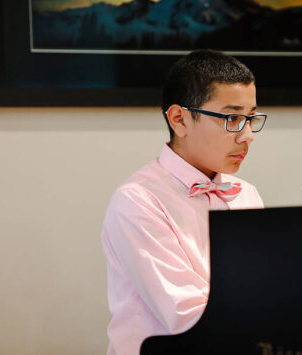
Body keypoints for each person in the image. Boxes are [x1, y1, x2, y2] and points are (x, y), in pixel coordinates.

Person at [101, 49, 266, 355]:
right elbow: (187, 315)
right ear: (179, 119)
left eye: (251, 118)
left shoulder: (246, 193)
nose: (247, 136)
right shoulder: (138, 201)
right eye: (232, 118)